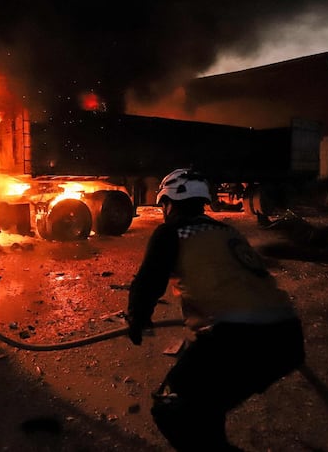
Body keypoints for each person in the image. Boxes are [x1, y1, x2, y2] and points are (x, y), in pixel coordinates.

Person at [126, 169, 305, 451]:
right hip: (286, 339)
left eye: (163, 205)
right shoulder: (227, 231)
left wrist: (137, 317)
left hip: (235, 338)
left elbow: (148, 281)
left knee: (173, 409)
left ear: (169, 203)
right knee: (205, 406)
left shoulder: (172, 232)